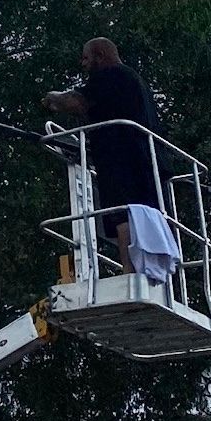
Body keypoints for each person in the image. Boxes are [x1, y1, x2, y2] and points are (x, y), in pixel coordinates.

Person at [43, 38, 164, 274]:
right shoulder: (135, 81)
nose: (83, 64)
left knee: (122, 215)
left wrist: (54, 98)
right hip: (148, 163)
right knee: (145, 216)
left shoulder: (110, 75)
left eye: (86, 58)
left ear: (100, 56)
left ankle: (130, 272)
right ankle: (151, 271)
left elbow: (78, 102)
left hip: (122, 161)